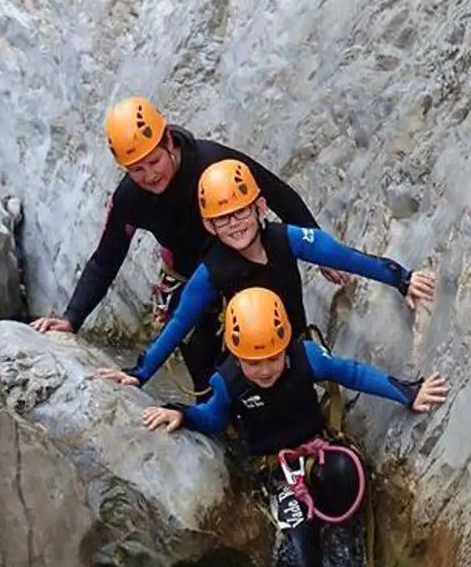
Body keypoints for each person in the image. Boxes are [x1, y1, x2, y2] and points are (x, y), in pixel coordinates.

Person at [141, 287, 448, 567]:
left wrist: (408, 392)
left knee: (347, 475)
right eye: (253, 362)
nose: (265, 370)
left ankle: (343, 541)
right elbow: (212, 417)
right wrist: (182, 413)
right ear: (236, 355)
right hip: (277, 471)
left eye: (272, 357)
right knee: (302, 556)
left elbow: (352, 373)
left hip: (317, 453)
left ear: (285, 344)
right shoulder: (228, 381)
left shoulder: (306, 357)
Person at [30, 96, 347, 392]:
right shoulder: (130, 199)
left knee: (280, 350)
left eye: (154, 161)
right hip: (192, 279)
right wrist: (72, 318)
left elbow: (279, 195)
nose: (149, 176)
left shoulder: (213, 162)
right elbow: (106, 258)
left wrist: (322, 253)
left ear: (168, 141)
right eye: (137, 169)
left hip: (249, 265)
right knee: (204, 365)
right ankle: (217, 422)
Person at [100, 158, 435, 388]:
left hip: (291, 351)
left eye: (240, 212)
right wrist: (140, 373)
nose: (234, 224)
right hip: (244, 365)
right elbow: (179, 324)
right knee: (214, 380)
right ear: (209, 225)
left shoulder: (287, 239)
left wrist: (403, 280)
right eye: (223, 218)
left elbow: (348, 258)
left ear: (259, 207)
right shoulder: (211, 271)